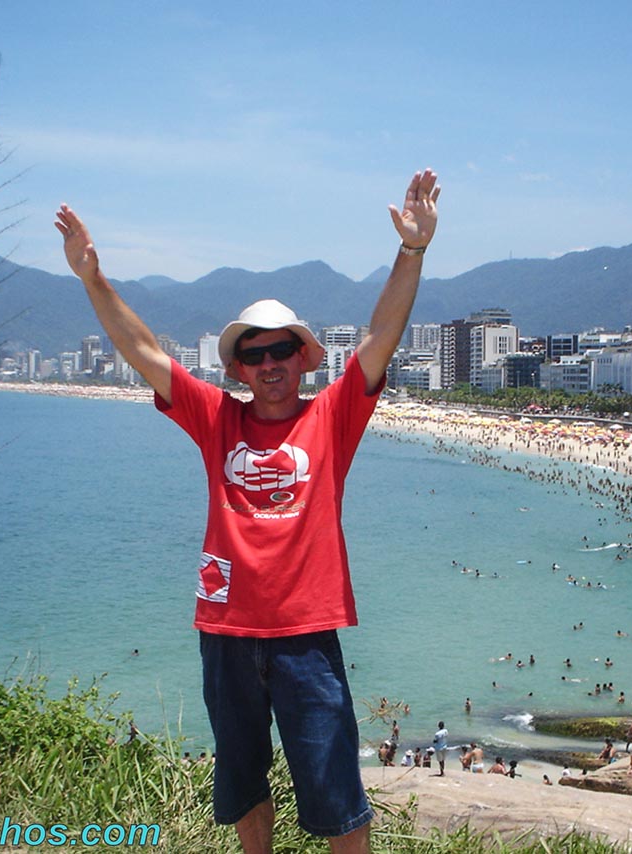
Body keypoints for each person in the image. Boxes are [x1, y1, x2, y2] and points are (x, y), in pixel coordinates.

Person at [55, 168, 441, 854]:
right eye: (254, 353)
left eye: (281, 349)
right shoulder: (214, 418)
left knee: (337, 791)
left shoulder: (334, 416)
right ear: (237, 368)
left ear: (303, 359)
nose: (269, 363)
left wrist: (412, 251)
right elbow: (145, 353)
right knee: (242, 782)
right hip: (227, 630)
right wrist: (93, 279)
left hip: (306, 633)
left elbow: (382, 334)